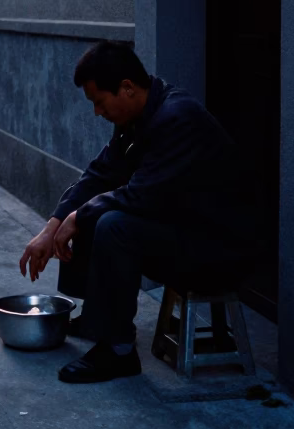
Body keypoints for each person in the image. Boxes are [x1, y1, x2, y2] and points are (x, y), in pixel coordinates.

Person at [18, 41, 257, 384]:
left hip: (217, 248)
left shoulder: (177, 118)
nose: (97, 113)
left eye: (99, 102)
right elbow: (100, 173)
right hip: (183, 228)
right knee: (92, 209)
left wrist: (77, 218)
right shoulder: (138, 116)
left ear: (127, 88)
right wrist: (51, 227)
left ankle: (117, 351)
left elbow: (143, 195)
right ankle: (97, 320)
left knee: (111, 223)